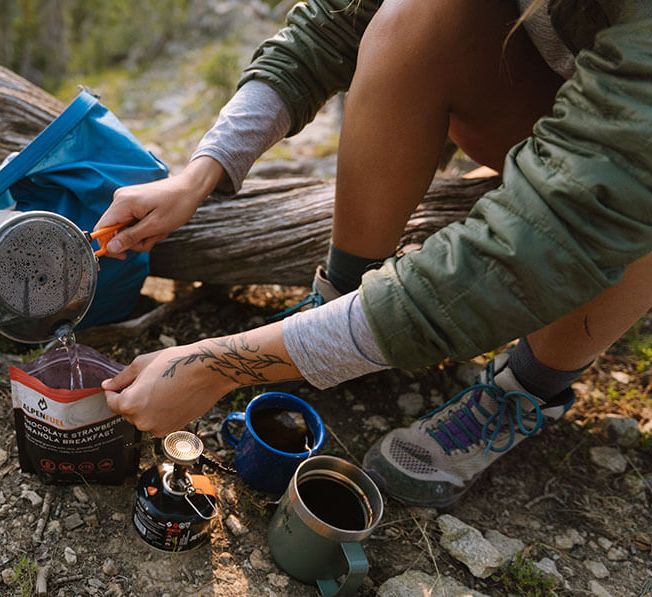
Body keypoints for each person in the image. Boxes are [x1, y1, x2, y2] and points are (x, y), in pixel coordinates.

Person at [94, 0, 652, 508]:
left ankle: (524, 387)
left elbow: (551, 239)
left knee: (630, 209)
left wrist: (216, 365)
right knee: (413, 17)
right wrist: (200, 174)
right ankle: (342, 294)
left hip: (631, 161)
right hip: (571, 109)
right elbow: (332, 24)